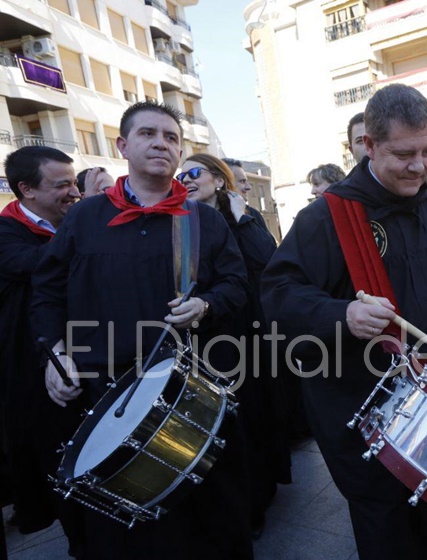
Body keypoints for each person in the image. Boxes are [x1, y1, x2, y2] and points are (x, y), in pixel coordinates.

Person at [261, 83, 427, 560]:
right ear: (368, 146)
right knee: (389, 532)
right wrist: (341, 313)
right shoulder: (325, 219)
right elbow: (277, 295)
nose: (419, 165)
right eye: (403, 154)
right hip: (368, 409)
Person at [30, 100, 253, 560]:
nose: (161, 143)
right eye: (149, 134)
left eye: (171, 137)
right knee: (118, 527)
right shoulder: (84, 218)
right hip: (102, 391)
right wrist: (54, 353)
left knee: (208, 515)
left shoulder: (202, 220)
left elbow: (237, 284)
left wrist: (206, 304)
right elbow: (46, 292)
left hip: (187, 390)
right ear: (123, 145)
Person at [179, 153, 290, 538]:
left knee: (252, 416)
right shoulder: (181, 221)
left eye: (194, 172)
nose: (186, 179)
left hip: (248, 330)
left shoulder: (245, 218)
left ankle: (257, 500)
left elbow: (267, 261)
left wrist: (242, 218)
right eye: (182, 175)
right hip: (206, 335)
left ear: (218, 180)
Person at [0, 146, 85, 556]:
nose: (74, 192)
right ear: (26, 190)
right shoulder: (6, 233)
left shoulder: (71, 224)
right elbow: (33, 265)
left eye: (74, 181)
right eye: (62, 185)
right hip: (35, 371)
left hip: (87, 356)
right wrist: (84, 236)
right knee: (60, 461)